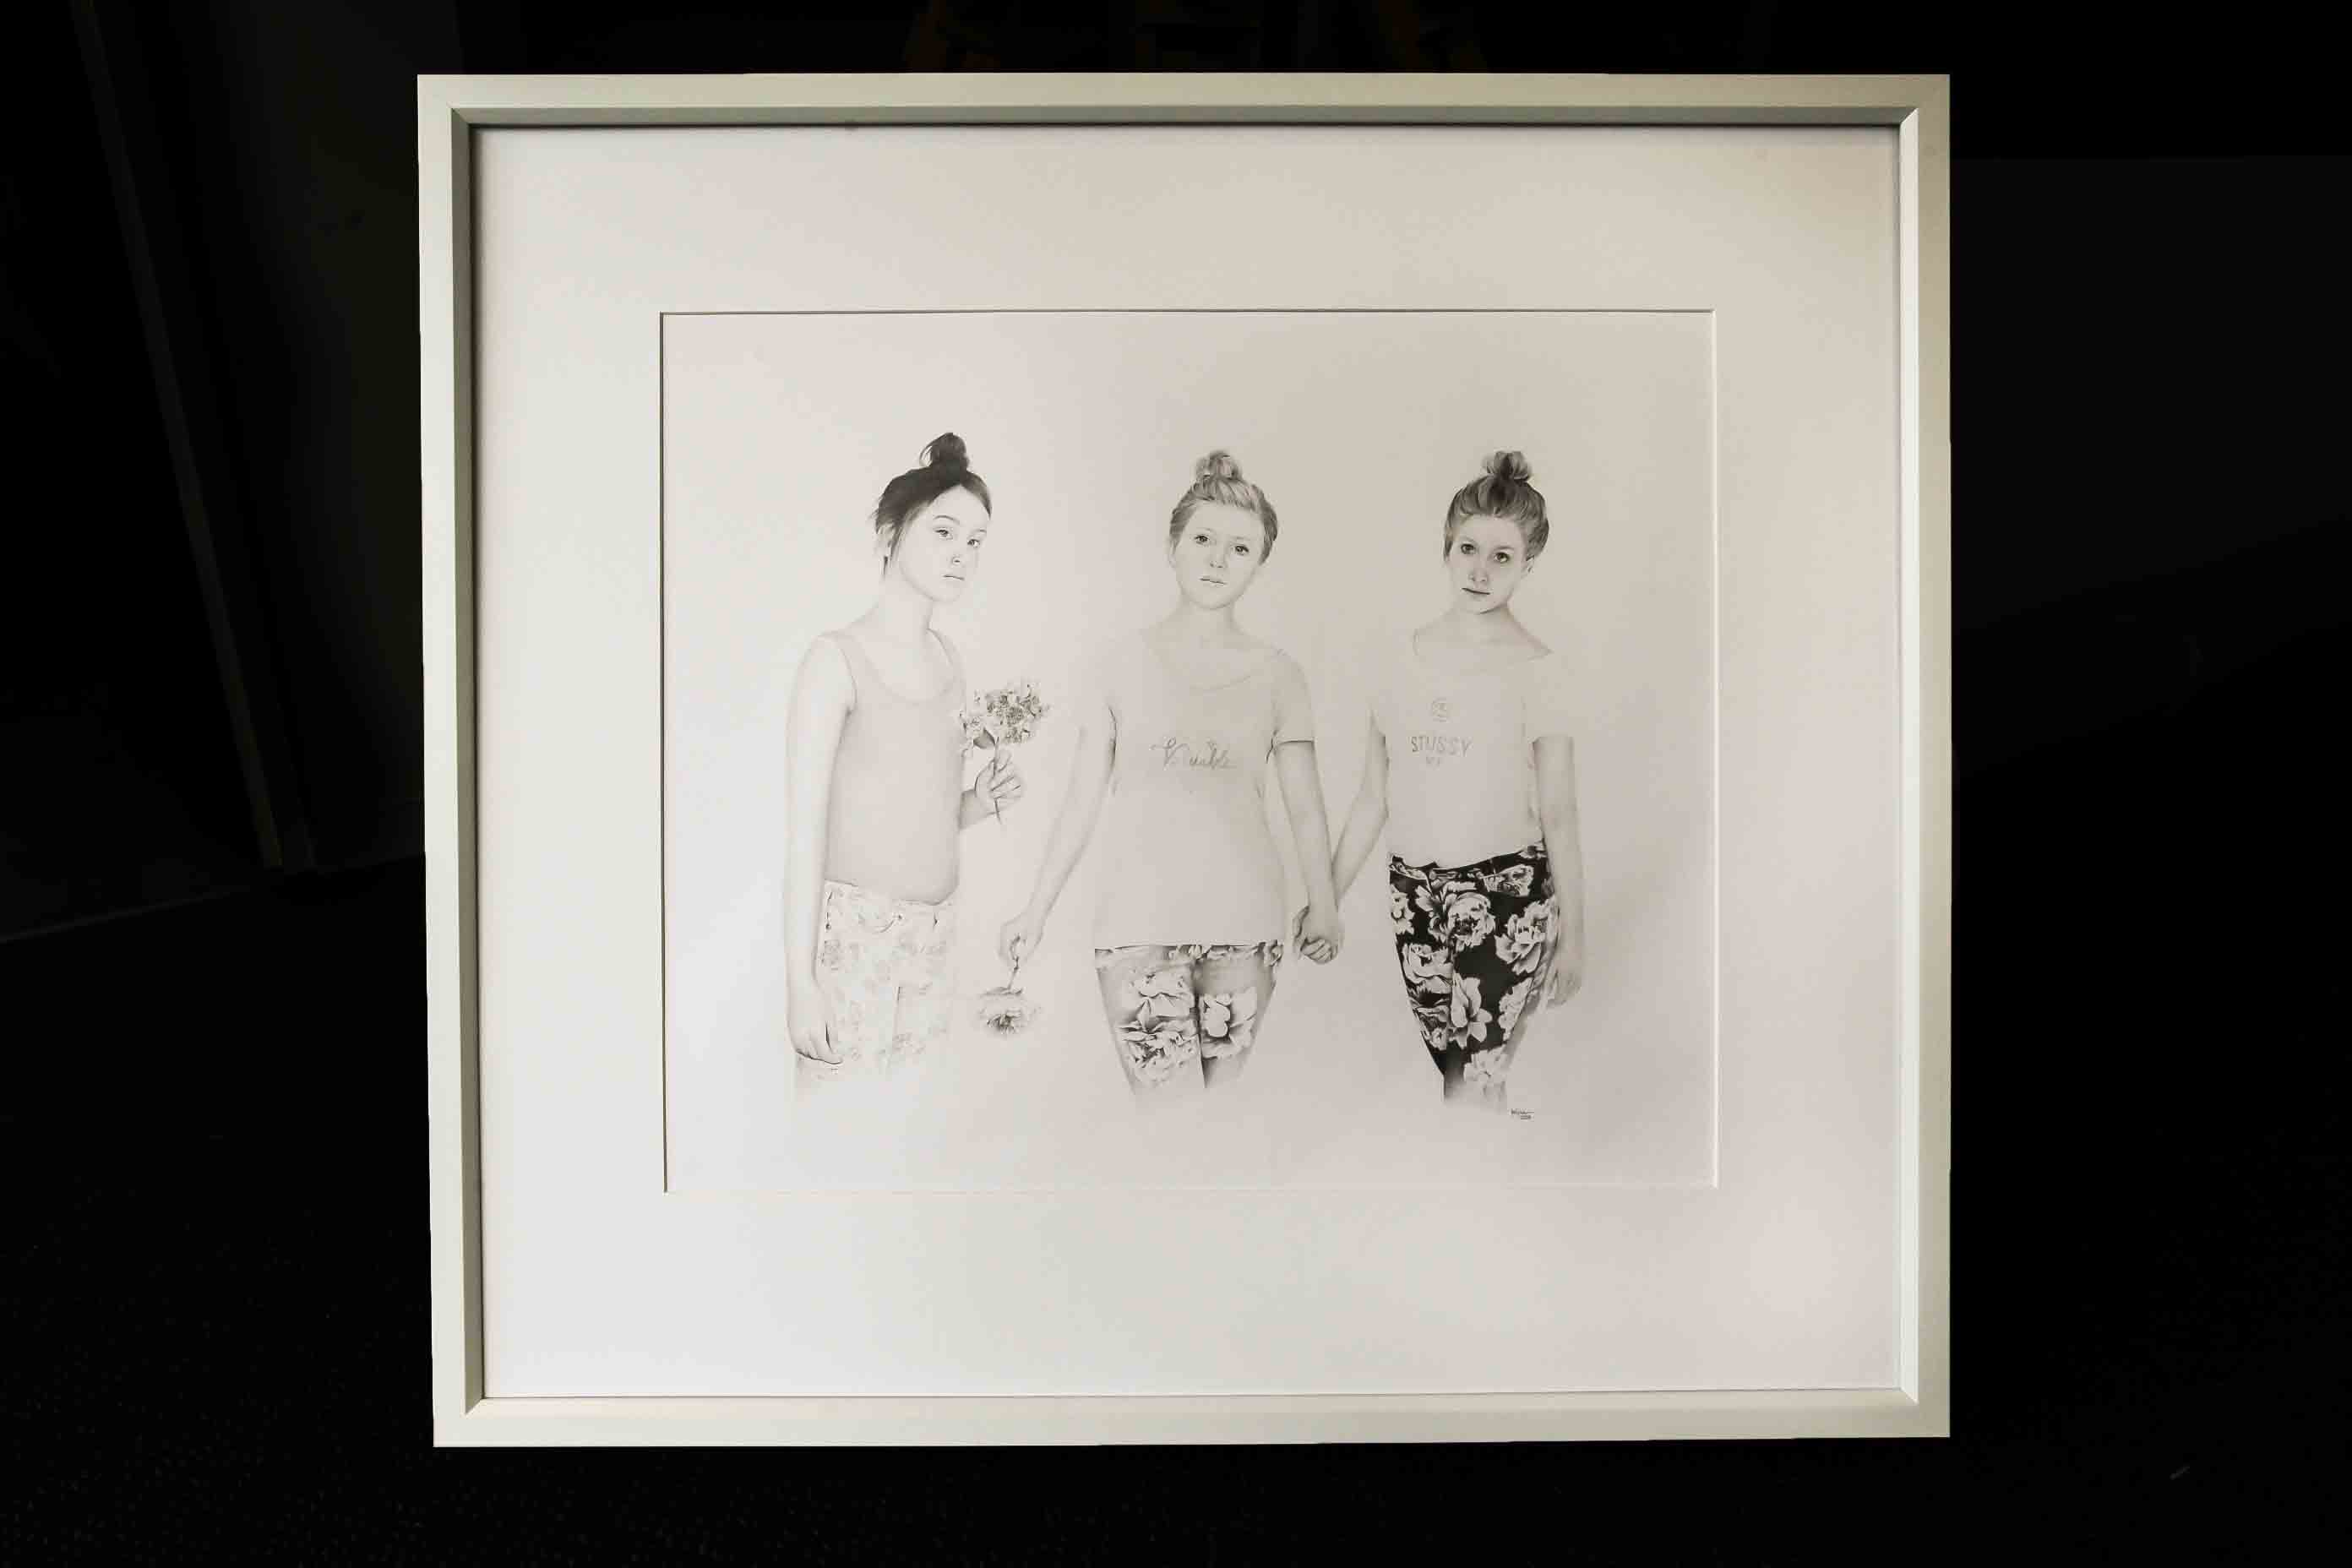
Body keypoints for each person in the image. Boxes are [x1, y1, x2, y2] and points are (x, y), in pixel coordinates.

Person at [998, 451, 1341, 1099]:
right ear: (1173, 546)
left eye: (1240, 548)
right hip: (1136, 928)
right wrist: (1035, 910)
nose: (1218, 560)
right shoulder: (1118, 664)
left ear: (1260, 563)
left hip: (1245, 927)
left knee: (1216, 1117)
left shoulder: (1280, 676)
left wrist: (1323, 905)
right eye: (1204, 539)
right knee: (1166, 1118)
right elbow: (1082, 799)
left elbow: (1306, 807)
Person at [1329, 450, 1587, 1110]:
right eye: (1468, 548)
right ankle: (1492, 1159)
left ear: (1529, 563)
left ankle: (1483, 1164)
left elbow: (1559, 814)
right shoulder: (1394, 662)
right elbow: (1372, 797)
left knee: (1470, 1085)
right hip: (1413, 897)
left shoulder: (1541, 670)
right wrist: (1327, 897)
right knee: (1460, 1079)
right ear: (1446, 547)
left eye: (1502, 556)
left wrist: (1576, 937)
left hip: (1507, 899)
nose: (1480, 570)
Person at [782, 433, 1024, 1089]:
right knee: (843, 1126)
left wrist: (982, 802)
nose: (961, 554)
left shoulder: (950, 661)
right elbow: (806, 833)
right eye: (944, 532)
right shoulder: (834, 661)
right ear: (891, 533)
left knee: (908, 1129)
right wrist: (802, 982)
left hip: (936, 940)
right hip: (854, 942)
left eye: (975, 541)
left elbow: (923, 813)